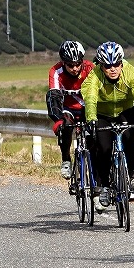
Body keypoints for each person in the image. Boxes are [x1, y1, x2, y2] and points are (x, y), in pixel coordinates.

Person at [81, 41, 134, 207]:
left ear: (121, 63)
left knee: (128, 138)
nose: (112, 69)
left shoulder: (129, 72)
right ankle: (104, 185)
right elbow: (90, 98)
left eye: (116, 65)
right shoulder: (95, 75)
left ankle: (133, 177)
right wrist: (91, 118)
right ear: (101, 65)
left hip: (124, 110)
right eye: (107, 66)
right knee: (103, 147)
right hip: (101, 113)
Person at [45, 40, 106, 211]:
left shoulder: (90, 68)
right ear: (63, 62)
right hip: (67, 108)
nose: (75, 68)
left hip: (88, 108)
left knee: (95, 145)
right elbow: (54, 97)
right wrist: (57, 120)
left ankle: (97, 188)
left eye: (78, 64)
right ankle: (66, 159)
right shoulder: (55, 71)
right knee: (66, 126)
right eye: (70, 65)